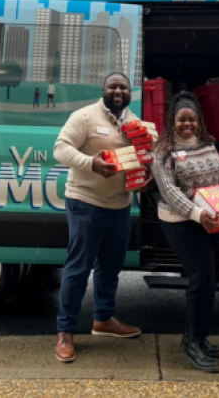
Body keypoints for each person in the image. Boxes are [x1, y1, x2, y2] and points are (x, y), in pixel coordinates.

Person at [151, 91, 219, 373]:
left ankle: (196, 335)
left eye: (191, 120)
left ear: (198, 121)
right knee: (201, 278)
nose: (187, 125)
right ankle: (193, 343)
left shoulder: (207, 144)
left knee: (214, 275)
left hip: (212, 218)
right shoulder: (163, 150)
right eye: (181, 120)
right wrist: (197, 214)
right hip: (181, 221)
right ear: (172, 120)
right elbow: (169, 191)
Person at [52, 72, 150, 363]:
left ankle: (103, 319)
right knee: (78, 268)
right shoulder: (84, 117)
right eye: (113, 86)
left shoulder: (135, 124)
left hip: (120, 205)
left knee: (110, 267)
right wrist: (91, 164)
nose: (118, 90)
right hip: (86, 202)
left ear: (130, 92)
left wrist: (144, 178)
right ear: (104, 90)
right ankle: (65, 331)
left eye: (123, 87)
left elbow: (141, 160)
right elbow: (60, 148)